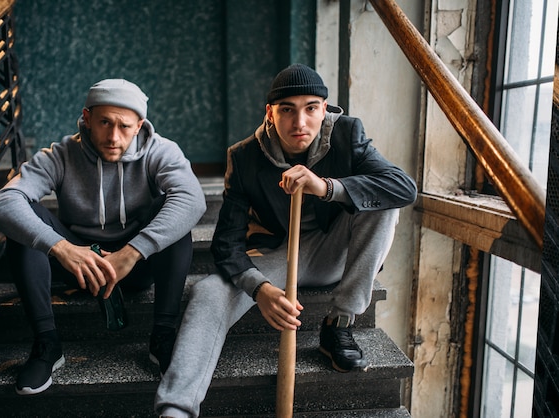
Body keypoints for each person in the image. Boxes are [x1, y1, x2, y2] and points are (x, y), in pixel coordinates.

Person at [154, 64, 417, 418]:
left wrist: (327, 188)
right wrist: (259, 289)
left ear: (325, 110)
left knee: (382, 204)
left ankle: (339, 324)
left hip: (334, 251)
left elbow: (403, 188)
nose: (300, 122)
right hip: (277, 257)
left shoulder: (347, 134)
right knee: (207, 292)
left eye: (311, 108)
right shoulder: (244, 156)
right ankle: (175, 409)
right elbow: (225, 245)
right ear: (270, 113)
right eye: (287, 110)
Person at [0, 78, 206, 395]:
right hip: (77, 266)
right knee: (24, 221)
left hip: (136, 267)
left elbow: (192, 200)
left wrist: (130, 253)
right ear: (87, 119)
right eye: (104, 122)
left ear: (139, 125)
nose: (114, 137)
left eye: (124, 126)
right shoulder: (61, 155)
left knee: (174, 218)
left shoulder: (161, 151)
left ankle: (163, 336)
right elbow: (2, 203)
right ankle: (48, 344)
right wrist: (62, 248)